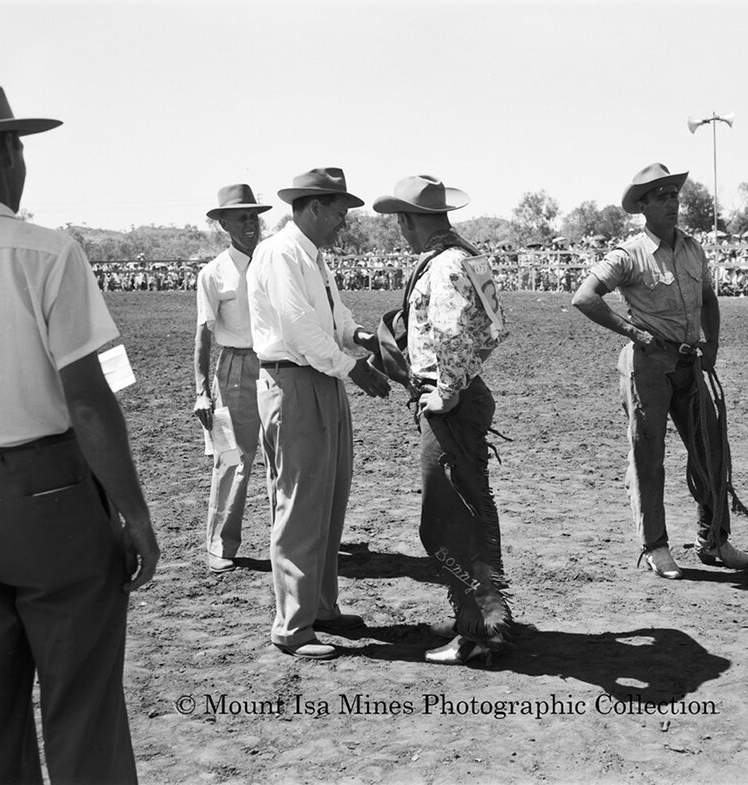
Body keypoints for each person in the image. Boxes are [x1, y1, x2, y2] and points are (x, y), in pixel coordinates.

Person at [0, 87, 159, 783]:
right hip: (49, 491)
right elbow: (90, 401)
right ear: (9, 154)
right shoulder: (44, 250)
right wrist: (132, 511)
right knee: (80, 698)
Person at [572, 163, 748, 580]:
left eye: (674, 195)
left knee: (711, 450)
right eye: (661, 196)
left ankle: (714, 540)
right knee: (648, 457)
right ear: (643, 206)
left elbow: (709, 299)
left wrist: (713, 344)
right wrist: (633, 331)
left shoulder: (693, 248)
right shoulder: (629, 253)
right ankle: (655, 546)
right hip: (649, 366)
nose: (672, 202)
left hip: (691, 362)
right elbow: (584, 297)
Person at [248, 167, 389, 661]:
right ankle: (291, 625)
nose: (344, 223)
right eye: (339, 212)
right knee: (300, 503)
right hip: (294, 379)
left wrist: (361, 337)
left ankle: (320, 605)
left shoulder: (313, 257)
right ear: (312, 208)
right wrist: (355, 369)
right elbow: (299, 328)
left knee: (329, 497)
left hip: (322, 379)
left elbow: (334, 317)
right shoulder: (280, 254)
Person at [372, 175, 512, 664]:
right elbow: (495, 330)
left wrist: (448, 391)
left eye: (400, 221)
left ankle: (479, 628)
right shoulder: (468, 257)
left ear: (411, 220)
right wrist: (466, 379)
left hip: (450, 402)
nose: (400, 231)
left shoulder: (443, 265)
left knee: (448, 520)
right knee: (467, 509)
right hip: (468, 396)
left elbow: (451, 334)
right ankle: (483, 621)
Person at [194, 184, 271, 574]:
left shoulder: (273, 261)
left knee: (284, 457)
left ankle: (287, 540)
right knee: (232, 458)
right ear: (223, 223)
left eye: (254, 216)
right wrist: (202, 391)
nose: (250, 224)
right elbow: (204, 334)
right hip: (235, 371)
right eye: (241, 217)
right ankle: (219, 544)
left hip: (277, 365)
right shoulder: (213, 273)